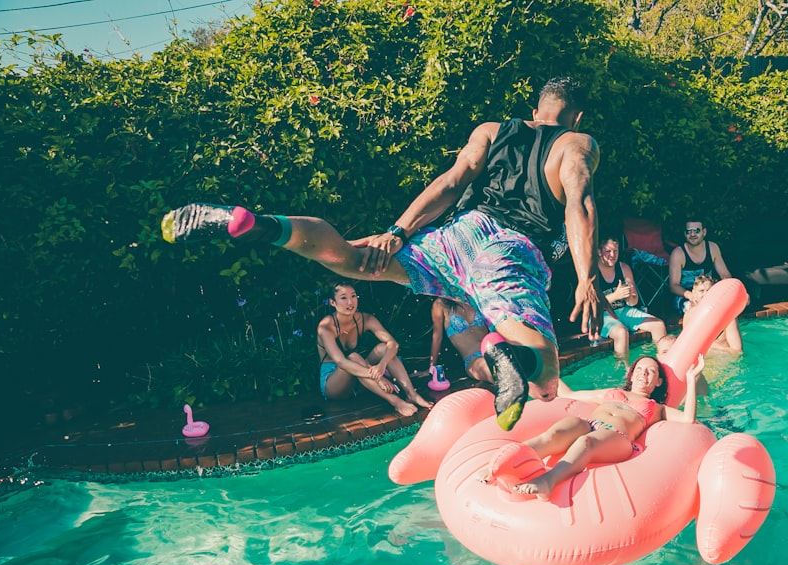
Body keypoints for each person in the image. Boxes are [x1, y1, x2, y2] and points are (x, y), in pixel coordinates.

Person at [161, 77, 604, 430]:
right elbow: (579, 204)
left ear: (535, 109)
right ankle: (501, 352)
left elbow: (451, 183)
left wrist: (398, 231)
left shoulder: (492, 131)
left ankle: (261, 225)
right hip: (510, 248)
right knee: (545, 380)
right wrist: (586, 277)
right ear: (578, 116)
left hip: (456, 238)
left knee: (352, 259)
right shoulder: (576, 143)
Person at [486, 354, 705, 501]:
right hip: (590, 424)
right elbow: (569, 394)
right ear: (632, 372)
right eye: (640, 369)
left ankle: (548, 481)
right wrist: (542, 371)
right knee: (558, 431)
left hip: (617, 438)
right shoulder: (609, 392)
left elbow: (688, 418)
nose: (644, 374)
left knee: (586, 442)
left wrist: (691, 380)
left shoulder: (657, 408)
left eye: (651, 372)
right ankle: (506, 462)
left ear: (658, 382)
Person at [317, 281, 433, 416]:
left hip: (361, 377)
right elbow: (341, 362)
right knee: (353, 357)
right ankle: (395, 401)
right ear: (332, 302)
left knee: (384, 348)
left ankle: (411, 394)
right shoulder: (326, 327)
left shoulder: (365, 319)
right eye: (343, 298)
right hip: (334, 383)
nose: (350, 302)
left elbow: (393, 344)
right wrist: (378, 378)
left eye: (353, 296)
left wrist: (382, 365)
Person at [596, 233, 667, 361]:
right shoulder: (592, 272)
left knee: (659, 325)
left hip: (624, 311)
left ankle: (663, 362)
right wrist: (615, 296)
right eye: (607, 251)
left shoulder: (623, 268)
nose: (612, 255)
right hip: (602, 314)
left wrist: (630, 297)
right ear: (599, 252)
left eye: (615, 251)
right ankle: (624, 372)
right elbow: (592, 306)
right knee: (622, 333)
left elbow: (634, 302)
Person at [668, 217, 733, 315]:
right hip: (686, 296)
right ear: (685, 234)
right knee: (698, 310)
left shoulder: (712, 248)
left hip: (708, 292)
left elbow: (725, 275)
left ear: (704, 232)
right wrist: (691, 295)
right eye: (689, 231)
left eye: (697, 231)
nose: (692, 234)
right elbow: (673, 286)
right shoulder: (678, 254)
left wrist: (723, 292)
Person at [429, 298, 493, 384]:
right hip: (473, 359)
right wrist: (431, 367)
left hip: (493, 351)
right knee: (491, 370)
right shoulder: (441, 304)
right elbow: (437, 337)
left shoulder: (474, 296)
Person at [687, 275, 742, 353]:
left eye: (709, 290)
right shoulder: (689, 315)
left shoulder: (728, 317)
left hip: (724, 360)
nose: (706, 294)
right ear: (694, 293)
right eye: (701, 291)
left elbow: (737, 351)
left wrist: (708, 344)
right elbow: (686, 347)